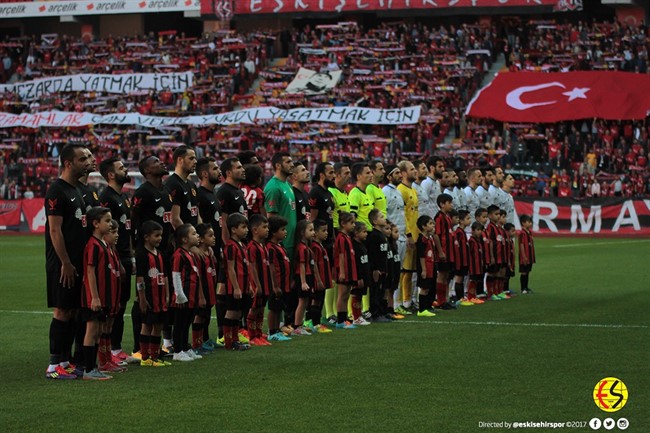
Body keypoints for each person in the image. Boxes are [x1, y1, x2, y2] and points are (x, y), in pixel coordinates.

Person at [45, 143, 91, 380]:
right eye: (82, 159)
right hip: (63, 264)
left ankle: (65, 361)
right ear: (68, 163)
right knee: (62, 310)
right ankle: (54, 366)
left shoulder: (75, 191)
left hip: (75, 263)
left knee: (72, 311)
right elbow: (55, 231)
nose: (87, 162)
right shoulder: (57, 191)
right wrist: (65, 262)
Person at [131, 155, 174, 357]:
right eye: (156, 162)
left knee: (160, 299)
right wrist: (136, 250)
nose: (162, 163)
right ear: (147, 170)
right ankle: (140, 349)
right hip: (146, 252)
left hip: (163, 251)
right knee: (143, 301)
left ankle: (157, 348)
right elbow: (134, 221)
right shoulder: (142, 192)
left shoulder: (165, 190)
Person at [98, 157, 136, 364]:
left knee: (121, 306)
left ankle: (116, 349)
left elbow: (125, 230)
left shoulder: (122, 197)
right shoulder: (107, 198)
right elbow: (106, 232)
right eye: (121, 168)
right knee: (113, 307)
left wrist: (130, 255)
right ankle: (109, 351)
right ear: (111, 174)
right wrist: (116, 259)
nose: (126, 170)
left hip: (125, 256)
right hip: (115, 259)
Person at [80, 207, 117, 380]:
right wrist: (94, 297)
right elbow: (90, 272)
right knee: (92, 330)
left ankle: (93, 367)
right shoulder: (93, 245)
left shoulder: (103, 244)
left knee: (98, 331)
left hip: (103, 296)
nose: (110, 224)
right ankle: (88, 369)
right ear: (95, 224)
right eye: (107, 221)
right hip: (93, 297)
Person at [196, 157, 224, 346]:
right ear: (205, 173)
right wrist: (203, 247)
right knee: (203, 297)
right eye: (215, 168)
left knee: (210, 297)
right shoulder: (200, 195)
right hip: (204, 252)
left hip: (214, 251)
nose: (219, 171)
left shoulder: (213, 195)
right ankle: (199, 339)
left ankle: (205, 338)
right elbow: (199, 225)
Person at [135, 220, 170, 367]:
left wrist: (167, 295)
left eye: (160, 235)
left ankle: (155, 356)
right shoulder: (142, 254)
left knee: (158, 326)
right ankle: (145, 357)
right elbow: (140, 278)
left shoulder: (160, 253)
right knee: (147, 325)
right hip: (149, 296)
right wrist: (142, 298)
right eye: (156, 235)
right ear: (146, 237)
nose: (159, 238)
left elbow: (165, 275)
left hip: (161, 297)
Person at [171, 224, 206, 362]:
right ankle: (177, 351)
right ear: (185, 239)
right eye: (194, 233)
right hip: (183, 296)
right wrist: (179, 295)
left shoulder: (191, 254)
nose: (197, 236)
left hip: (192, 296)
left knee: (187, 323)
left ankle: (185, 348)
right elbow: (176, 274)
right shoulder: (179, 255)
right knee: (180, 324)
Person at [308, 162, 336, 323]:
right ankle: (311, 320)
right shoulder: (316, 192)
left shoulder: (328, 193)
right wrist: (314, 240)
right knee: (316, 283)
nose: (333, 175)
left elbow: (329, 218)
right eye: (331, 172)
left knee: (325, 280)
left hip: (327, 241)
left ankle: (316, 320)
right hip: (318, 243)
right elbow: (312, 219)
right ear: (322, 175)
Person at [223, 213, 252, 351]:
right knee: (232, 312)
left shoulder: (243, 245)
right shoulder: (230, 246)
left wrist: (250, 285)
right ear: (233, 229)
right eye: (243, 227)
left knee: (239, 313)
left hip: (244, 285)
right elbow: (230, 267)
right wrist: (235, 287)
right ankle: (229, 342)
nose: (247, 230)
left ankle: (235, 339)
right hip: (234, 287)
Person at [246, 214, 273, 346]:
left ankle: (258, 333)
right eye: (264, 227)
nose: (267, 229)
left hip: (265, 283)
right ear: (255, 230)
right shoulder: (252, 247)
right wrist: (257, 284)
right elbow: (252, 266)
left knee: (261, 308)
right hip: (258, 284)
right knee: (255, 308)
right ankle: (252, 336)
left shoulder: (262, 246)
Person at [396, 160, 419, 314]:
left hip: (416, 234)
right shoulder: (401, 190)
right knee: (405, 271)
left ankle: (408, 300)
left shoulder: (413, 190)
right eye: (411, 169)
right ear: (403, 173)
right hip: (407, 235)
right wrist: (409, 234)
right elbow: (402, 215)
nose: (415, 171)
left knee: (411, 270)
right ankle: (401, 302)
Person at [264, 152, 297, 259]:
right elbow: (271, 218)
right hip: (283, 244)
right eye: (288, 162)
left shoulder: (287, 184)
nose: (292, 164)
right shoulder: (273, 187)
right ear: (278, 165)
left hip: (292, 241)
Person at [266, 215, 293, 342]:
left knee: (279, 308)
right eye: (282, 229)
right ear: (273, 232)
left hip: (284, 283)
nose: (285, 232)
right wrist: (275, 285)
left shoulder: (280, 246)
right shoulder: (270, 248)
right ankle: (271, 332)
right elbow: (271, 267)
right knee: (273, 308)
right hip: (276, 284)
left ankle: (277, 330)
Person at [193, 223, 218, 354]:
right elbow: (198, 277)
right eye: (210, 235)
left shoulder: (210, 252)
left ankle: (204, 340)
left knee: (206, 315)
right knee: (199, 316)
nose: (214, 238)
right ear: (201, 239)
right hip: (202, 292)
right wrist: (201, 295)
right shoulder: (198, 255)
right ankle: (196, 344)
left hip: (210, 290)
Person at [292, 220, 319, 335]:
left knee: (305, 301)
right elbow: (301, 266)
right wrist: (303, 282)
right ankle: (297, 326)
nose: (313, 232)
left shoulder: (306, 246)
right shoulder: (302, 247)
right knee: (302, 302)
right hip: (302, 277)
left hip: (307, 276)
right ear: (302, 232)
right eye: (311, 230)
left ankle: (300, 324)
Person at [164, 145, 200, 231]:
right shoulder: (172, 184)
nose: (195, 161)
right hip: (183, 241)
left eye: (195, 158)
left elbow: (197, 215)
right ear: (180, 160)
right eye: (191, 159)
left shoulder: (192, 185)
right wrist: (189, 237)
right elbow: (175, 219)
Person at [215, 157, 248, 245]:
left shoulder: (239, 191)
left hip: (242, 242)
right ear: (228, 173)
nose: (243, 170)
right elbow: (223, 222)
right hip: (232, 244)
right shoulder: (224, 192)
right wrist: (228, 245)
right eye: (238, 168)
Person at [366, 209, 390, 322]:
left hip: (383, 269)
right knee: (375, 291)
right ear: (375, 221)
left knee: (381, 291)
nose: (384, 218)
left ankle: (381, 312)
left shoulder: (382, 235)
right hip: (376, 270)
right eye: (381, 217)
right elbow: (372, 254)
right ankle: (374, 313)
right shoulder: (373, 236)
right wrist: (375, 269)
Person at [334, 212, 358, 329]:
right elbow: (341, 255)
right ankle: (340, 320)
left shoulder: (347, 237)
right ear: (343, 224)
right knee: (342, 294)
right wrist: (342, 272)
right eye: (351, 223)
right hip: (344, 270)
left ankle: (344, 319)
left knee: (346, 295)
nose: (354, 225)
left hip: (350, 269)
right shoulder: (341, 238)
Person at [310, 219, 333, 333]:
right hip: (318, 280)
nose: (326, 233)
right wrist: (318, 280)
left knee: (320, 300)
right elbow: (314, 265)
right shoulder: (315, 246)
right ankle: (314, 324)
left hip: (323, 279)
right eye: (323, 230)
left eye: (327, 230)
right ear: (315, 232)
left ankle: (317, 322)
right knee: (316, 300)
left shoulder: (320, 245)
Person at [433, 193, 455, 310]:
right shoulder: (439, 217)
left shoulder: (447, 216)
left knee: (446, 275)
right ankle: (440, 301)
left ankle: (445, 299)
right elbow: (436, 234)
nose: (451, 205)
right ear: (442, 204)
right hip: (444, 251)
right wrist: (440, 251)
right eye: (449, 203)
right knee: (441, 275)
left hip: (450, 251)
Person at [415, 215, 437, 317]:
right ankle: (422, 309)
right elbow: (421, 256)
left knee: (429, 287)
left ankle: (428, 306)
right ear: (424, 226)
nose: (433, 225)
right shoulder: (421, 239)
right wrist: (423, 269)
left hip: (431, 266)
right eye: (430, 223)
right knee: (424, 287)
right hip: (425, 267)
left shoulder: (429, 238)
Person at [350, 222, 371, 326]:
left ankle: (359, 315)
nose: (366, 233)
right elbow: (356, 263)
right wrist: (359, 277)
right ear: (356, 233)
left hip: (364, 275)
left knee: (360, 296)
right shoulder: (354, 246)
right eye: (364, 231)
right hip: (359, 276)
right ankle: (356, 317)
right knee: (356, 295)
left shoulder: (362, 244)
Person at [452, 210, 474, 307]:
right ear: (461, 221)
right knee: (459, 278)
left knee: (462, 278)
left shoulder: (462, 232)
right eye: (467, 218)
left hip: (464, 260)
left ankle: (461, 297)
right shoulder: (458, 233)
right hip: (460, 261)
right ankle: (459, 298)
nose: (470, 220)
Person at [348, 162, 374, 231]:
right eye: (368, 173)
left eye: (371, 172)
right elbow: (352, 217)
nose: (371, 175)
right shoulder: (355, 194)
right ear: (359, 176)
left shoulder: (367, 192)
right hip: (361, 234)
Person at [328, 162, 351, 231]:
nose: (349, 176)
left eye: (349, 173)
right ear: (337, 175)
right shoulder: (330, 192)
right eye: (346, 173)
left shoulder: (345, 192)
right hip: (336, 233)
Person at [467, 222, 486, 304]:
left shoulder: (478, 241)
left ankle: (474, 296)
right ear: (472, 231)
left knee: (476, 280)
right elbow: (469, 253)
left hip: (478, 265)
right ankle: (470, 297)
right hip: (473, 265)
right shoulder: (471, 241)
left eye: (481, 230)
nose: (479, 232)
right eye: (477, 230)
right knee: (472, 280)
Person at [518, 215, 536, 294]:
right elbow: (521, 244)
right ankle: (523, 289)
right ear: (523, 223)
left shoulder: (530, 232)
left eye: (531, 222)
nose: (530, 224)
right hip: (524, 256)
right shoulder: (522, 233)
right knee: (524, 272)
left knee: (528, 271)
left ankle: (526, 287)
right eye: (528, 222)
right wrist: (524, 256)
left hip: (530, 256)